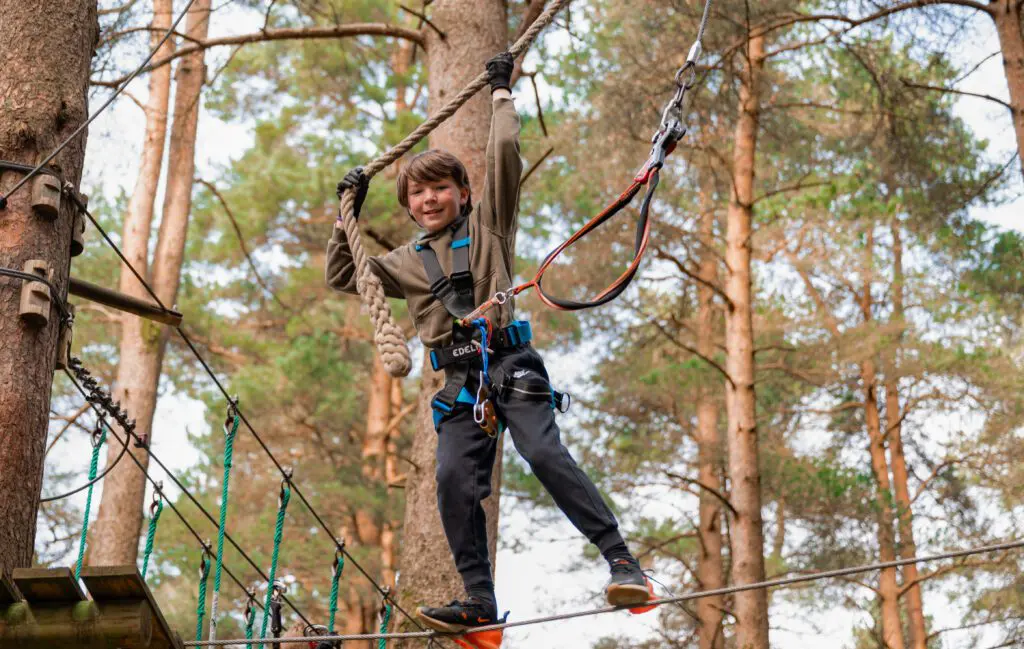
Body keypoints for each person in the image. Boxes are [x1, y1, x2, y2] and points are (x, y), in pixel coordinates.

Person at [327, 51, 649, 634]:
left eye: (441, 189)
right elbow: (344, 275)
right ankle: (479, 602)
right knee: (452, 478)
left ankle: (624, 562)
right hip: (458, 383)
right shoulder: (404, 262)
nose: (429, 200)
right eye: (418, 195)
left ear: (464, 194)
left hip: (509, 364)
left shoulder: (490, 225)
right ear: (408, 206)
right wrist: (344, 214)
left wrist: (501, 95)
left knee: (545, 455)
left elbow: (504, 157)